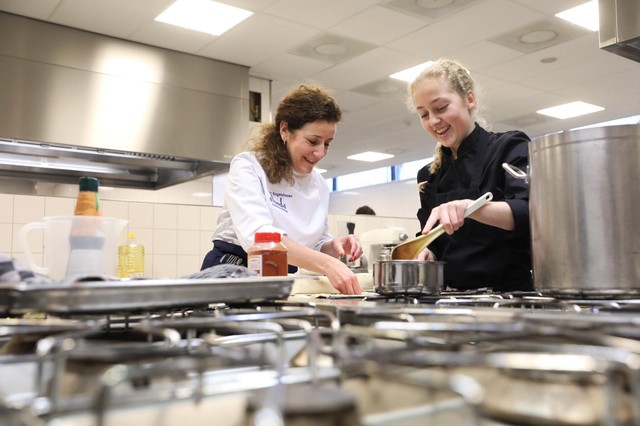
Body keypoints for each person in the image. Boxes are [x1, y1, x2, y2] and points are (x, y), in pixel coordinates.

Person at [201, 84, 363, 294]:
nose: (321, 152)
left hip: (283, 277)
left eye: (327, 143)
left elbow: (314, 243)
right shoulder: (249, 167)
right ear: (285, 130)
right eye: (313, 141)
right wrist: (327, 264)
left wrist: (333, 246)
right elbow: (259, 238)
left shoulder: (319, 184)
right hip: (234, 269)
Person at [409, 58, 532, 292]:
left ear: (469, 99)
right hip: (452, 300)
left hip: (509, 299)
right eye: (424, 114)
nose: (434, 121)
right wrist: (427, 252)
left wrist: (471, 208)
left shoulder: (508, 147)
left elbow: (528, 212)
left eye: (441, 108)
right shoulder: (428, 175)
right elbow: (433, 238)